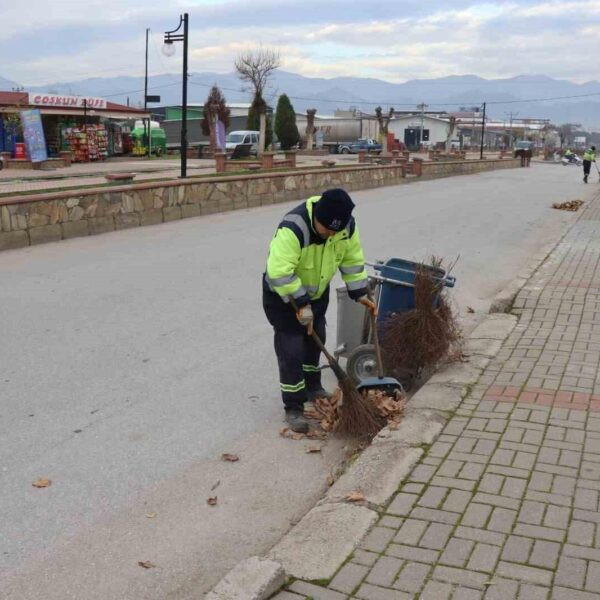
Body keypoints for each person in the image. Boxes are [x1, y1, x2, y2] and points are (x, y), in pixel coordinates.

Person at [262, 188, 376, 433]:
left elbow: (352, 260)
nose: (332, 234)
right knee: (291, 349)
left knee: (316, 341)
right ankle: (293, 407)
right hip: (284, 297)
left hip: (316, 294)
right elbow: (279, 272)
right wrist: (302, 304)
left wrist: (360, 293)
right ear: (317, 219)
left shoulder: (345, 227)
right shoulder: (294, 228)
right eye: (327, 229)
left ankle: (313, 386)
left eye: (336, 230)